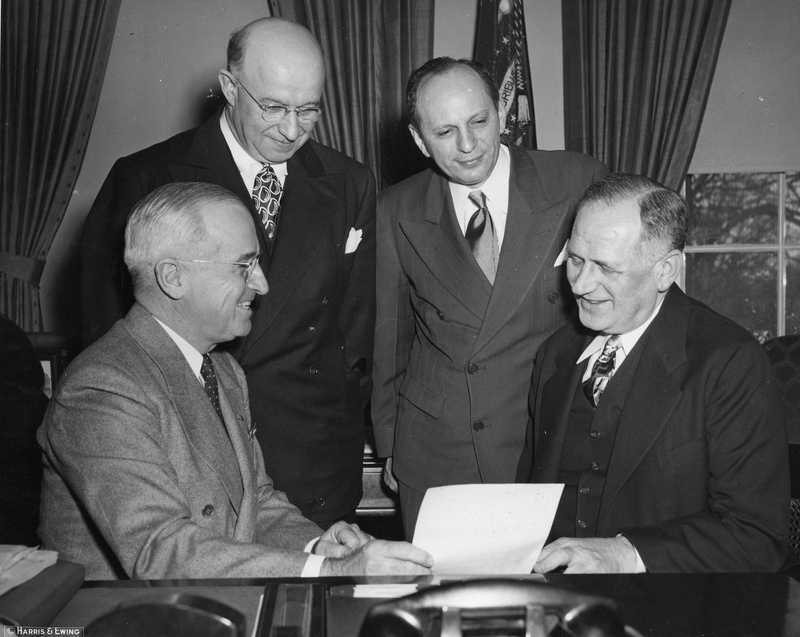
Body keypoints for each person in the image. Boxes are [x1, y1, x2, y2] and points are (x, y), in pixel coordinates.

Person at [39, 183, 430, 580]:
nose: (261, 284)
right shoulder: (102, 388)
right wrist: (329, 568)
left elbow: (255, 503)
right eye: (243, 266)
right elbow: (161, 551)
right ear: (173, 277)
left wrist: (314, 545)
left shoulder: (223, 369)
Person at [80, 18, 375, 528]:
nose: (291, 129)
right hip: (191, 457)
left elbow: (357, 329)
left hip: (313, 457)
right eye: (274, 107)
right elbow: (104, 331)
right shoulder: (145, 177)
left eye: (308, 110)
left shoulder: (350, 181)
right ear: (229, 87)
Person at [372, 57, 608, 539]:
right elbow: (389, 340)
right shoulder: (395, 209)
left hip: (546, 437)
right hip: (439, 449)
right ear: (419, 141)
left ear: (500, 111)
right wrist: (391, 440)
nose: (467, 145)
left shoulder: (574, 180)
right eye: (444, 132)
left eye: (479, 122)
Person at [517, 172, 790, 573]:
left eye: (606, 268)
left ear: (666, 270)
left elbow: (757, 537)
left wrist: (625, 554)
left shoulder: (730, 362)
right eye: (575, 259)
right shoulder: (555, 354)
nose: (580, 284)